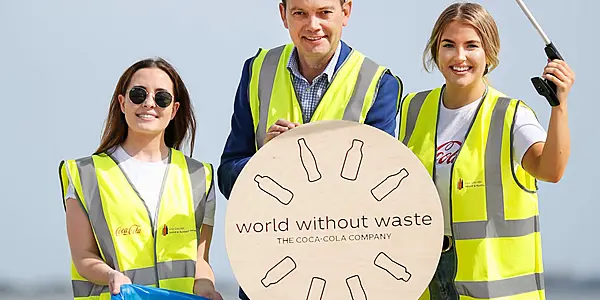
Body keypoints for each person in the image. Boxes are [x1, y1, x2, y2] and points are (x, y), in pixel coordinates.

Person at [217, 0, 403, 299]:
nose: (312, 25)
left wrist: (310, 157)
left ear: (346, 12)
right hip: (267, 277)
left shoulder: (378, 83)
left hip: (342, 277)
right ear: (283, 14)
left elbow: (378, 194)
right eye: (300, 13)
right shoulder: (258, 71)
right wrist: (269, 159)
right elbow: (228, 177)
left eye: (324, 13)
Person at [399, 3, 574, 300]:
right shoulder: (411, 109)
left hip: (497, 291)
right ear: (435, 51)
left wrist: (559, 108)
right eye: (448, 45)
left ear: (489, 53)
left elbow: (551, 170)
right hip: (428, 284)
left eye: (472, 46)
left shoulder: (510, 115)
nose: (460, 56)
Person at [58, 58, 223, 300]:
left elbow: (199, 259)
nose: (149, 103)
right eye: (138, 94)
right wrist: (111, 276)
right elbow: (84, 257)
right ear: (123, 103)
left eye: (161, 98)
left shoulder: (199, 176)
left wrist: (206, 288)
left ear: (174, 110)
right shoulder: (85, 174)